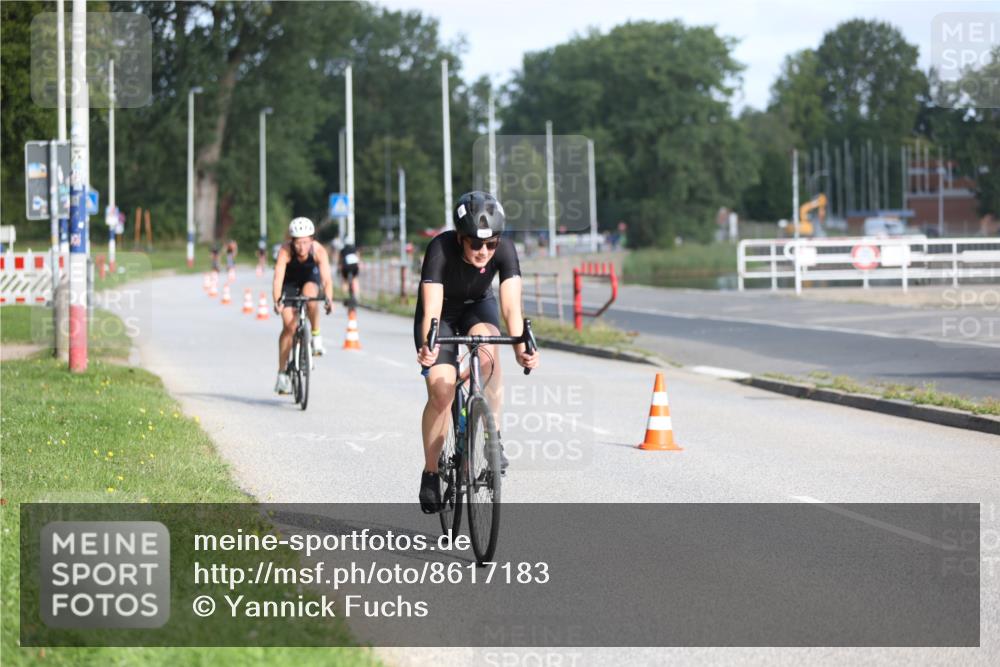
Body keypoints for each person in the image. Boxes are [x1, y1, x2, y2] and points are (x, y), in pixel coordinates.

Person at [413, 191, 539, 513]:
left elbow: (511, 308)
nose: (485, 251)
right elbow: (432, 308)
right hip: (442, 316)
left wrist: (522, 348)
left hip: (478, 310)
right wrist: (430, 346)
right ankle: (431, 473)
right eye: (476, 244)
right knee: (441, 392)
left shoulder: (506, 250)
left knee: (488, 356)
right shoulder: (440, 249)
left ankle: (491, 437)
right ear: (460, 238)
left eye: (491, 244)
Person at [271, 217, 334, 394]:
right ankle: (282, 374)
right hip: (289, 285)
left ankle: (316, 336)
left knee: (311, 296)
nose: (302, 247)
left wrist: (329, 299)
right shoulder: (285, 251)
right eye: (298, 243)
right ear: (292, 241)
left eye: (305, 242)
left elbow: (327, 279)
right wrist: (277, 301)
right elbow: (277, 279)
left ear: (312, 240)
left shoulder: (319, 251)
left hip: (309, 281)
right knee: (289, 327)